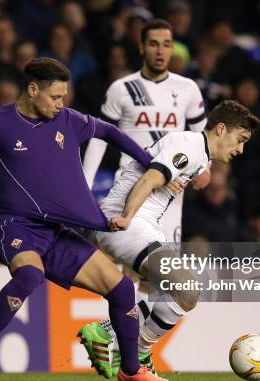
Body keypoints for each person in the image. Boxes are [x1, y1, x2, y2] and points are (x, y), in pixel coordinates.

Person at [0, 57, 170, 381]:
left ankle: (131, 370)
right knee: (30, 275)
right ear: (32, 90)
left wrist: (151, 164)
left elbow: (109, 132)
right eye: (55, 97)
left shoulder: (69, 121)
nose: (61, 104)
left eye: (64, 97)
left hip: (56, 232)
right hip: (15, 226)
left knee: (120, 290)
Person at [77, 100, 260, 378]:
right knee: (187, 289)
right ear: (221, 129)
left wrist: (174, 175)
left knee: (158, 293)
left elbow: (155, 167)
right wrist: (126, 217)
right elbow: (149, 180)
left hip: (144, 224)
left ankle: (106, 333)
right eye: (240, 139)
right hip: (129, 223)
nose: (241, 149)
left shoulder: (197, 154)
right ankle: (136, 353)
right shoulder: (190, 146)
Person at [82, 18, 207, 243]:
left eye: (166, 44)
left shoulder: (188, 88)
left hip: (170, 189)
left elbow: (204, 137)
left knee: (161, 270)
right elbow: (99, 138)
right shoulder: (122, 89)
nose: (160, 51)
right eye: (153, 43)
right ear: (141, 47)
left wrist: (205, 168)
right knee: (131, 263)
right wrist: (85, 183)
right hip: (131, 183)